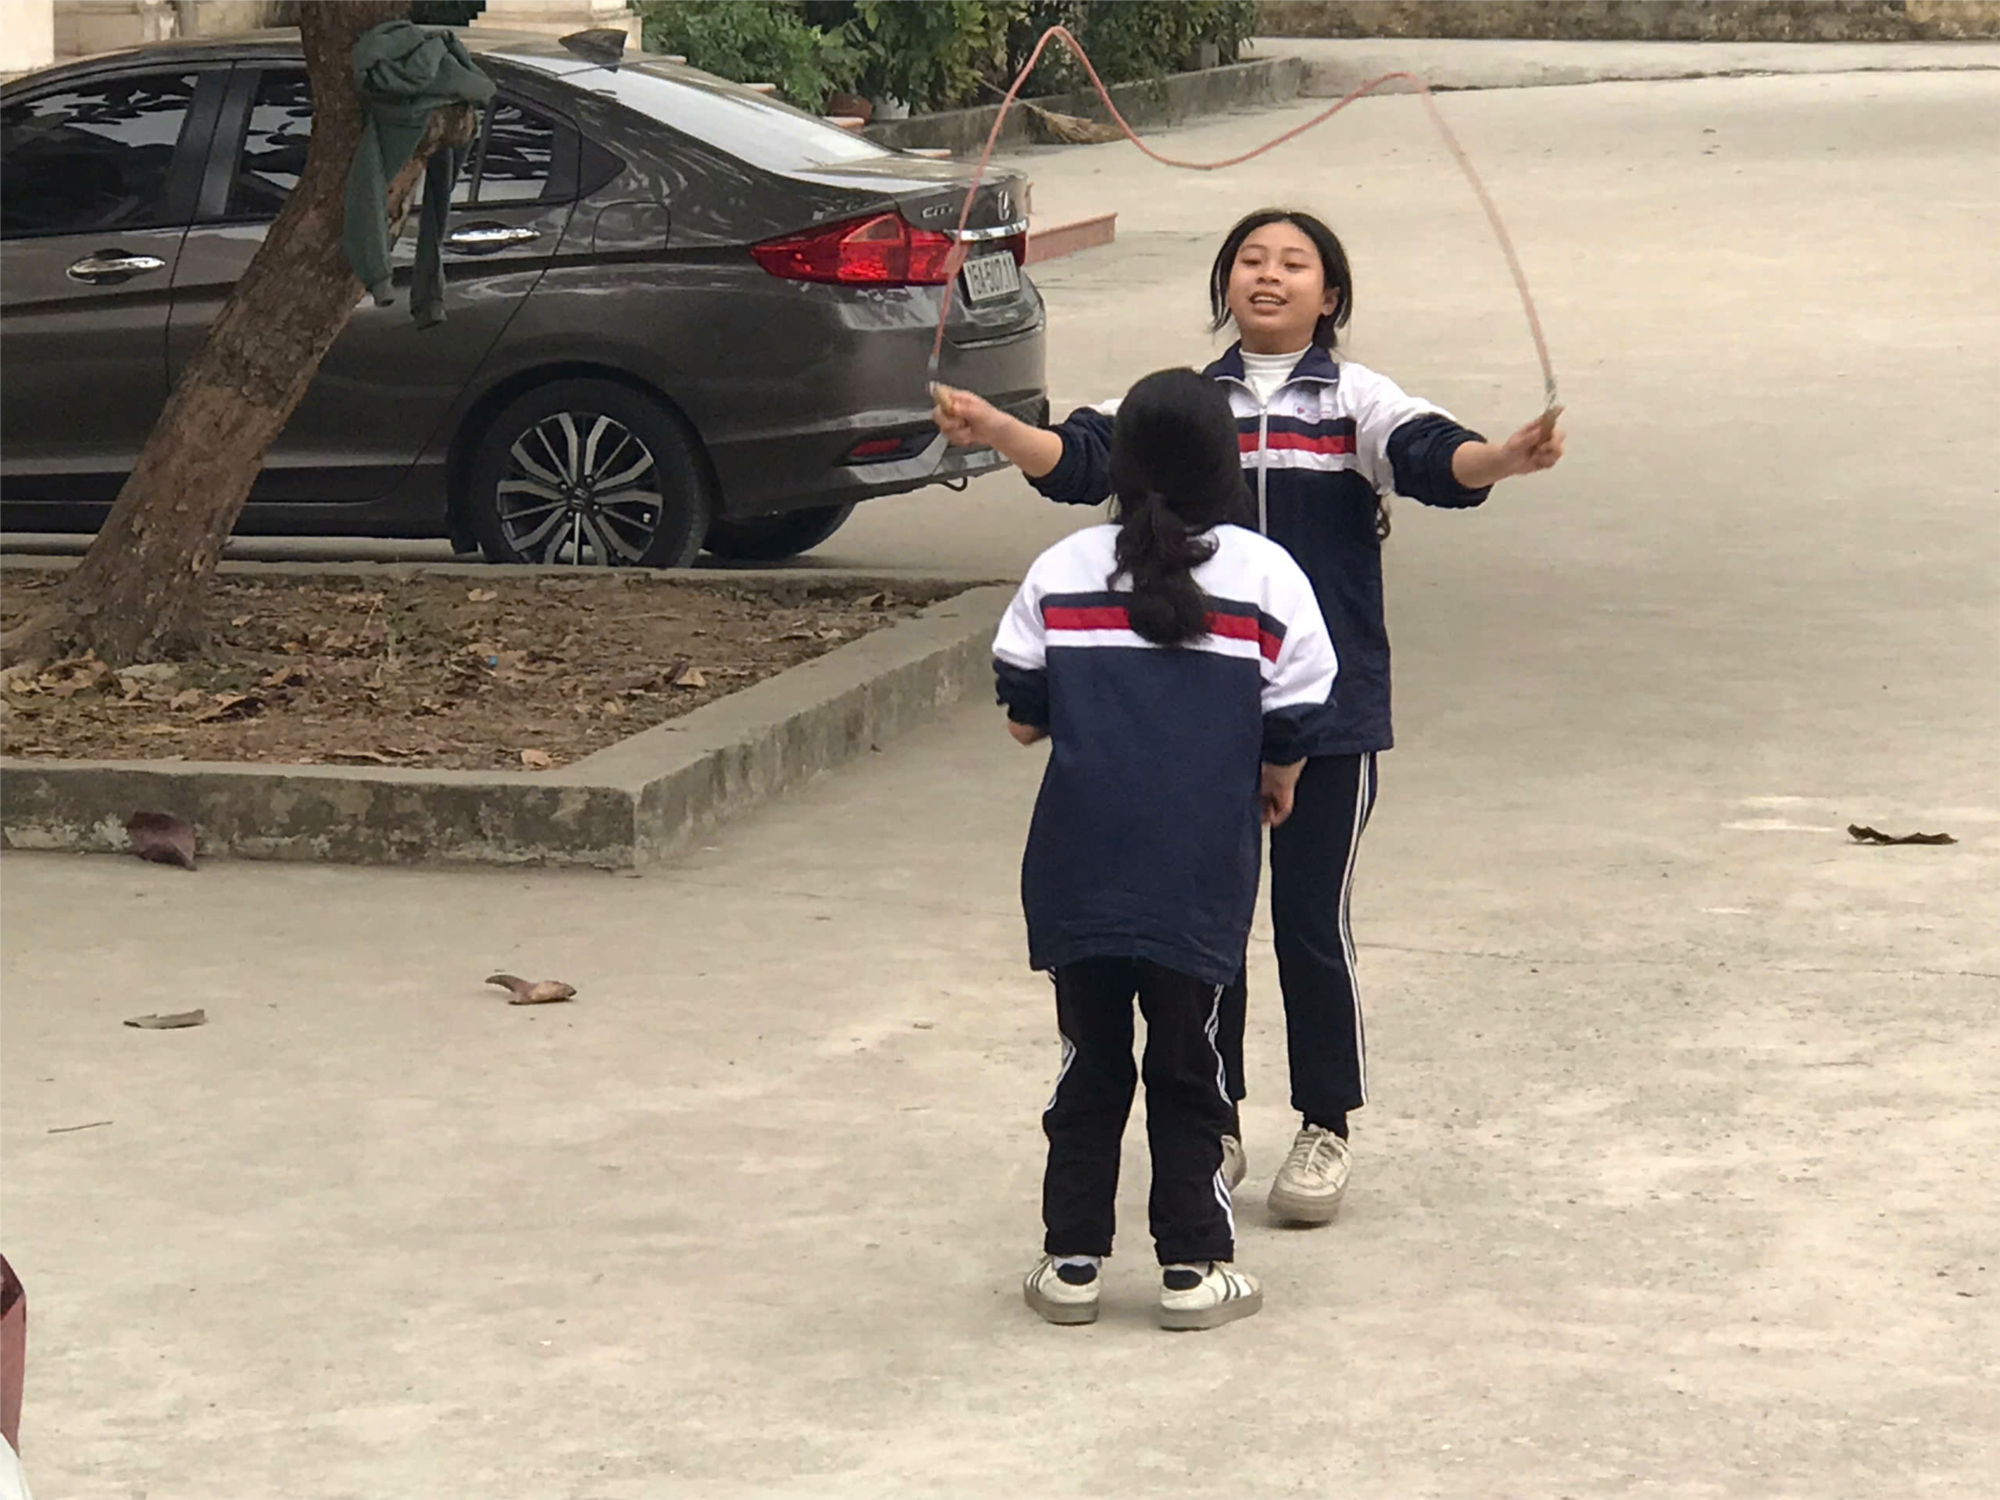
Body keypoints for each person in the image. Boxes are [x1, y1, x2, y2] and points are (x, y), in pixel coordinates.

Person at [938, 207, 1566, 1228]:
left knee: (1309, 923)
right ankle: (1214, 1120)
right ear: (1225, 284)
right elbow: (1081, 459)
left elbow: (1433, 460)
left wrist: (1502, 456)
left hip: (1325, 715)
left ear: (1330, 295)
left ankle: (1325, 1122)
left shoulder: (1356, 401)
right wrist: (998, 429)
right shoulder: (1182, 404)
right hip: (1192, 720)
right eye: (1249, 260)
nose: (1267, 275)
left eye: (1294, 263)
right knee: (1204, 930)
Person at [991, 368, 1339, 1330]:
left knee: (1088, 1062)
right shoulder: (1267, 575)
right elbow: (1301, 708)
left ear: (1120, 464)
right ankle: (1193, 1268)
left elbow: (1022, 713)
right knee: (1191, 1067)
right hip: (1198, 872)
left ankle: (1071, 1265)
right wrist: (1277, 773)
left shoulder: (1061, 569)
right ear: (1226, 468)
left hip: (1078, 867)